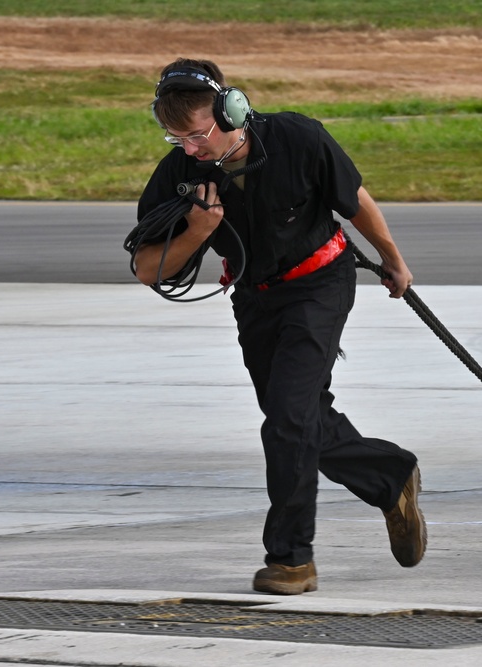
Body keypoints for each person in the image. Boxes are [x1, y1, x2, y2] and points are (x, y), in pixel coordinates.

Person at [131, 58, 426, 595]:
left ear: (231, 110)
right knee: (301, 416)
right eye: (178, 140)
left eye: (198, 135)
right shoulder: (181, 175)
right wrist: (199, 229)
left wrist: (393, 259)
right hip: (255, 297)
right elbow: (149, 268)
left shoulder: (298, 138)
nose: (191, 149)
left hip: (320, 285)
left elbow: (354, 201)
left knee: (288, 419)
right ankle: (390, 477)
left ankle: (291, 560)